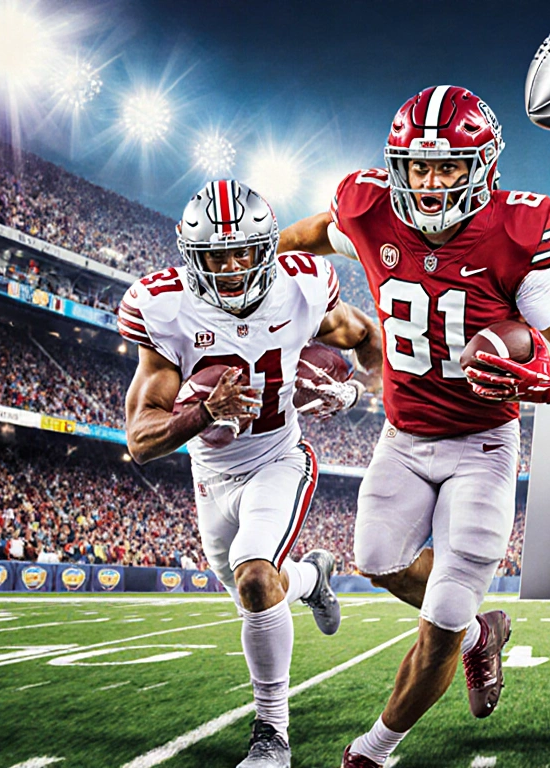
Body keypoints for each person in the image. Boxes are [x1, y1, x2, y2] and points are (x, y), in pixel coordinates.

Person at [276, 85, 550, 768]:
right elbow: (303, 237)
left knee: (440, 621)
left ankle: (374, 748)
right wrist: (264, 288)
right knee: (380, 562)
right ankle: (484, 633)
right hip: (402, 437)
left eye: (449, 167)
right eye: (418, 167)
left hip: (482, 445)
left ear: (482, 167)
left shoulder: (517, 233)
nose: (429, 183)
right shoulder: (367, 210)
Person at [122, 179, 381, 768]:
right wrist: (203, 412)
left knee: (256, 581)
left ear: (268, 248)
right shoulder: (164, 307)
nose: (233, 267)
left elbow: (367, 338)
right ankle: (314, 579)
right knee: (257, 591)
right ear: (193, 259)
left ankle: (271, 734)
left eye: (244, 251)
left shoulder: (302, 287)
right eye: (217, 255)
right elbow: (140, 441)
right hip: (210, 475)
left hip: (278, 457)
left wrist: (362, 391)